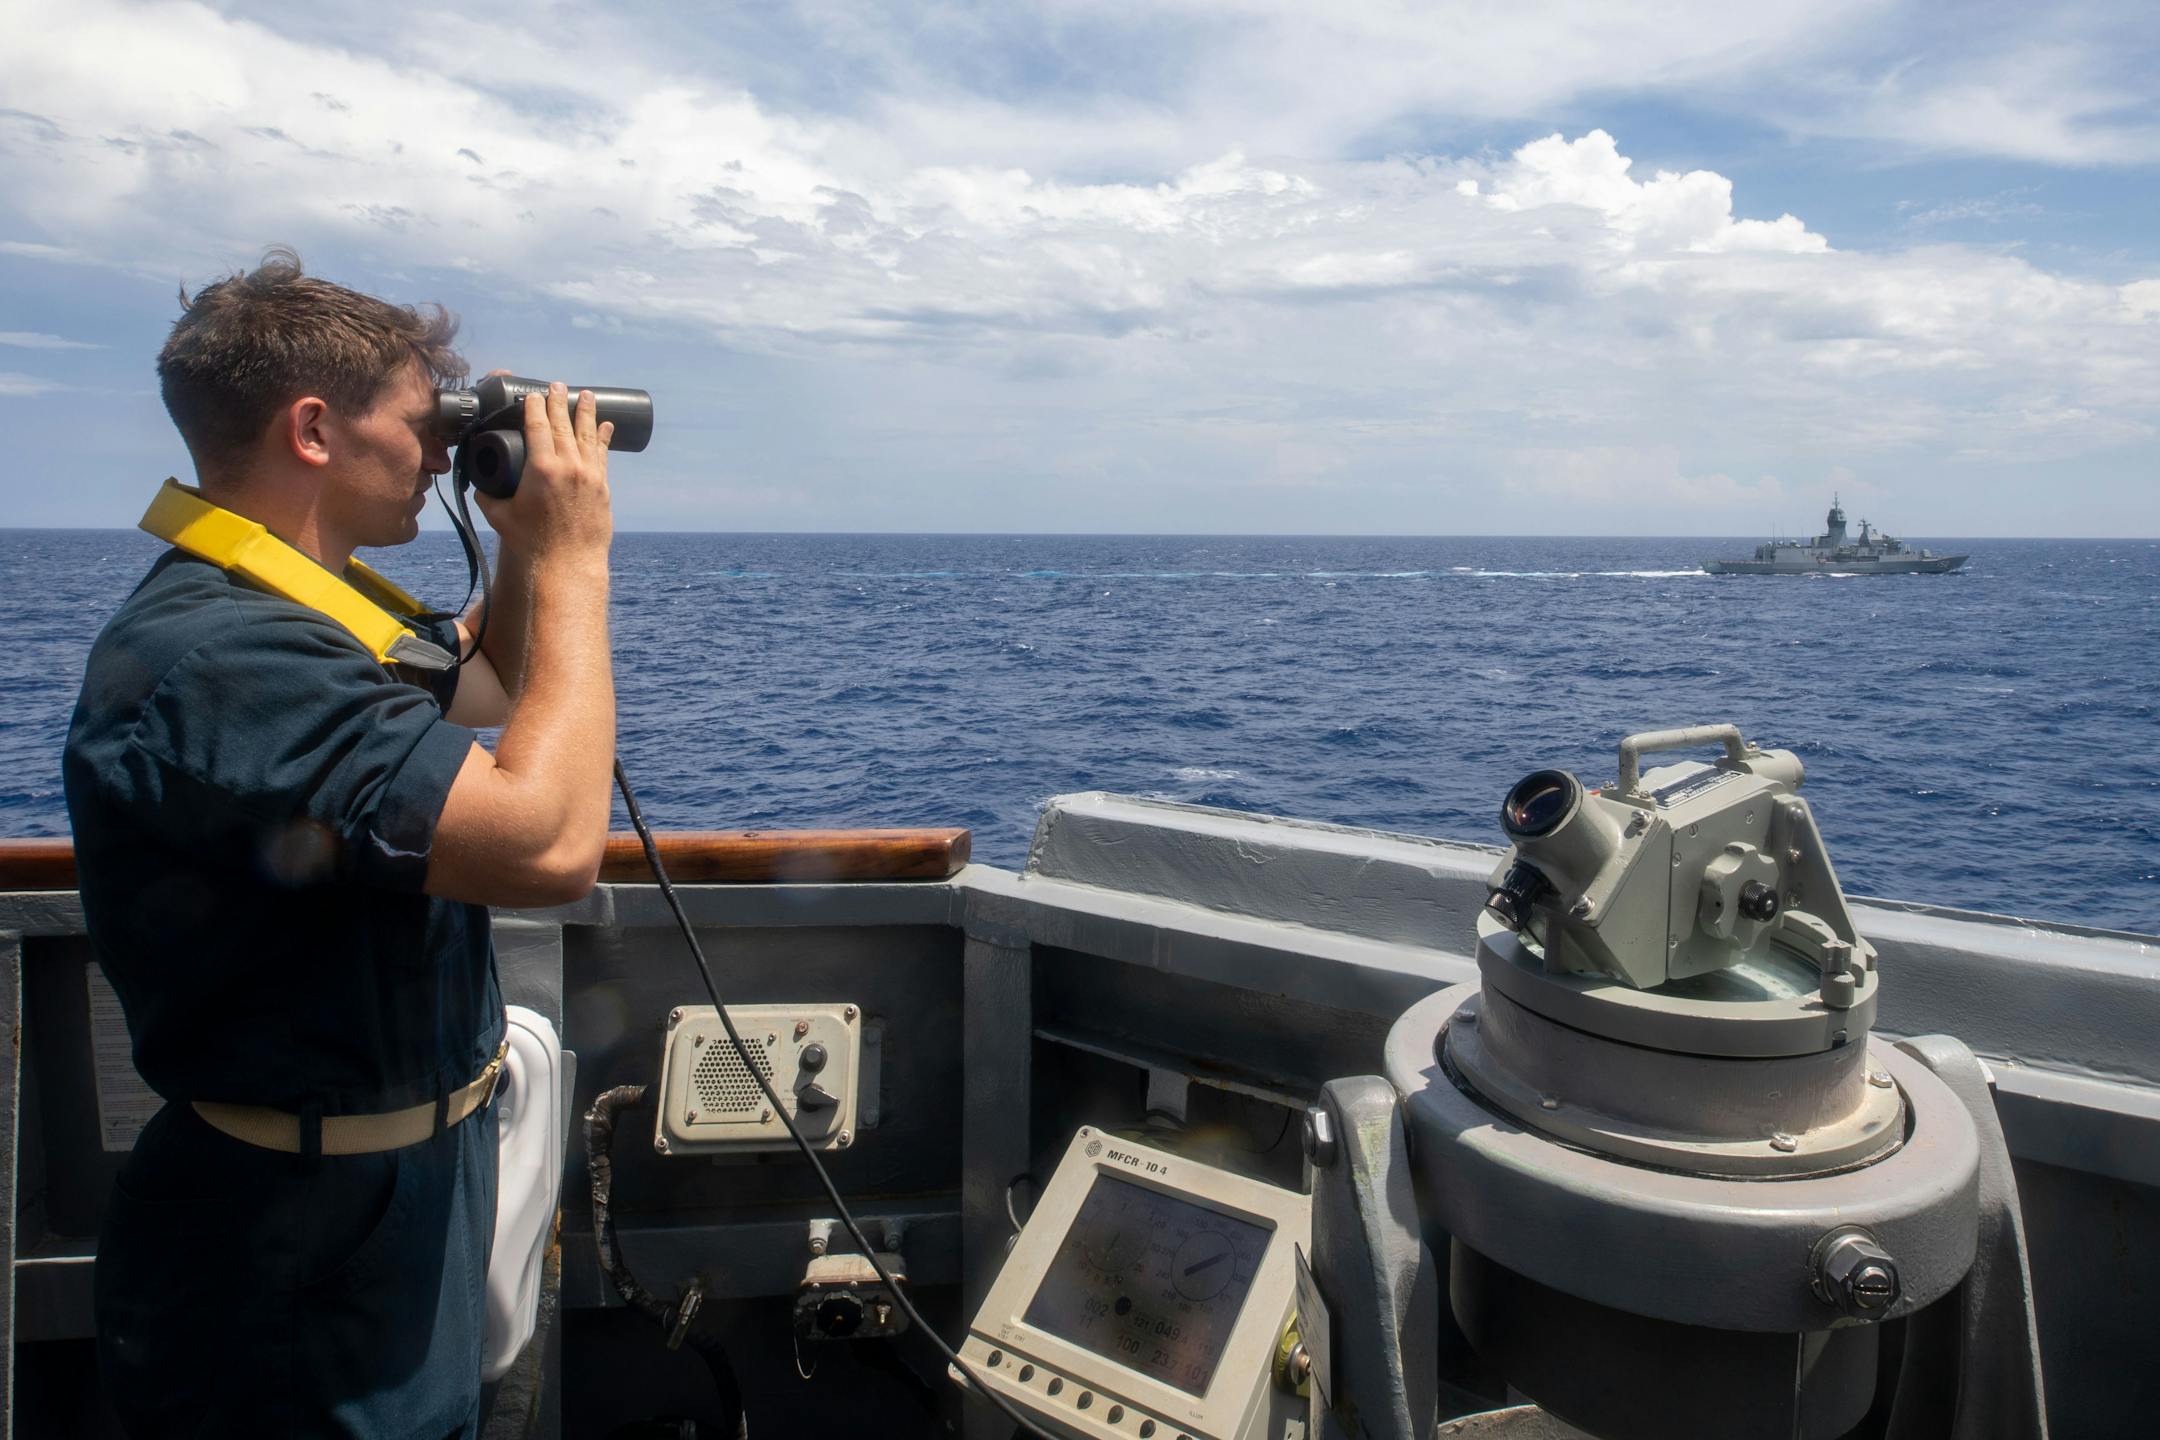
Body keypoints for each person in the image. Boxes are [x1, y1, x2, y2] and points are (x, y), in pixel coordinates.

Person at [61, 248, 618, 1436]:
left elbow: (490, 683)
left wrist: (524, 541)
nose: (437, 454)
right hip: (288, 1238)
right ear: (314, 429)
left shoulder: (311, 612)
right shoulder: (222, 655)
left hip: (395, 1195)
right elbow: (549, 847)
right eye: (425, 424)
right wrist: (576, 556)